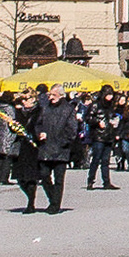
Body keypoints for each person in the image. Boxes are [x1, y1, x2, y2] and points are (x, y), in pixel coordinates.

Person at [32, 85, 83, 215]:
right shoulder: (45, 108)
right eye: (50, 95)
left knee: (59, 179)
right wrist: (39, 133)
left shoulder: (68, 109)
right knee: (44, 175)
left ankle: (55, 205)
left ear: (61, 96)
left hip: (61, 149)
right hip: (45, 147)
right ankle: (53, 198)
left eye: (53, 95)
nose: (50, 97)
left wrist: (61, 142)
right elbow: (37, 124)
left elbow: (72, 130)